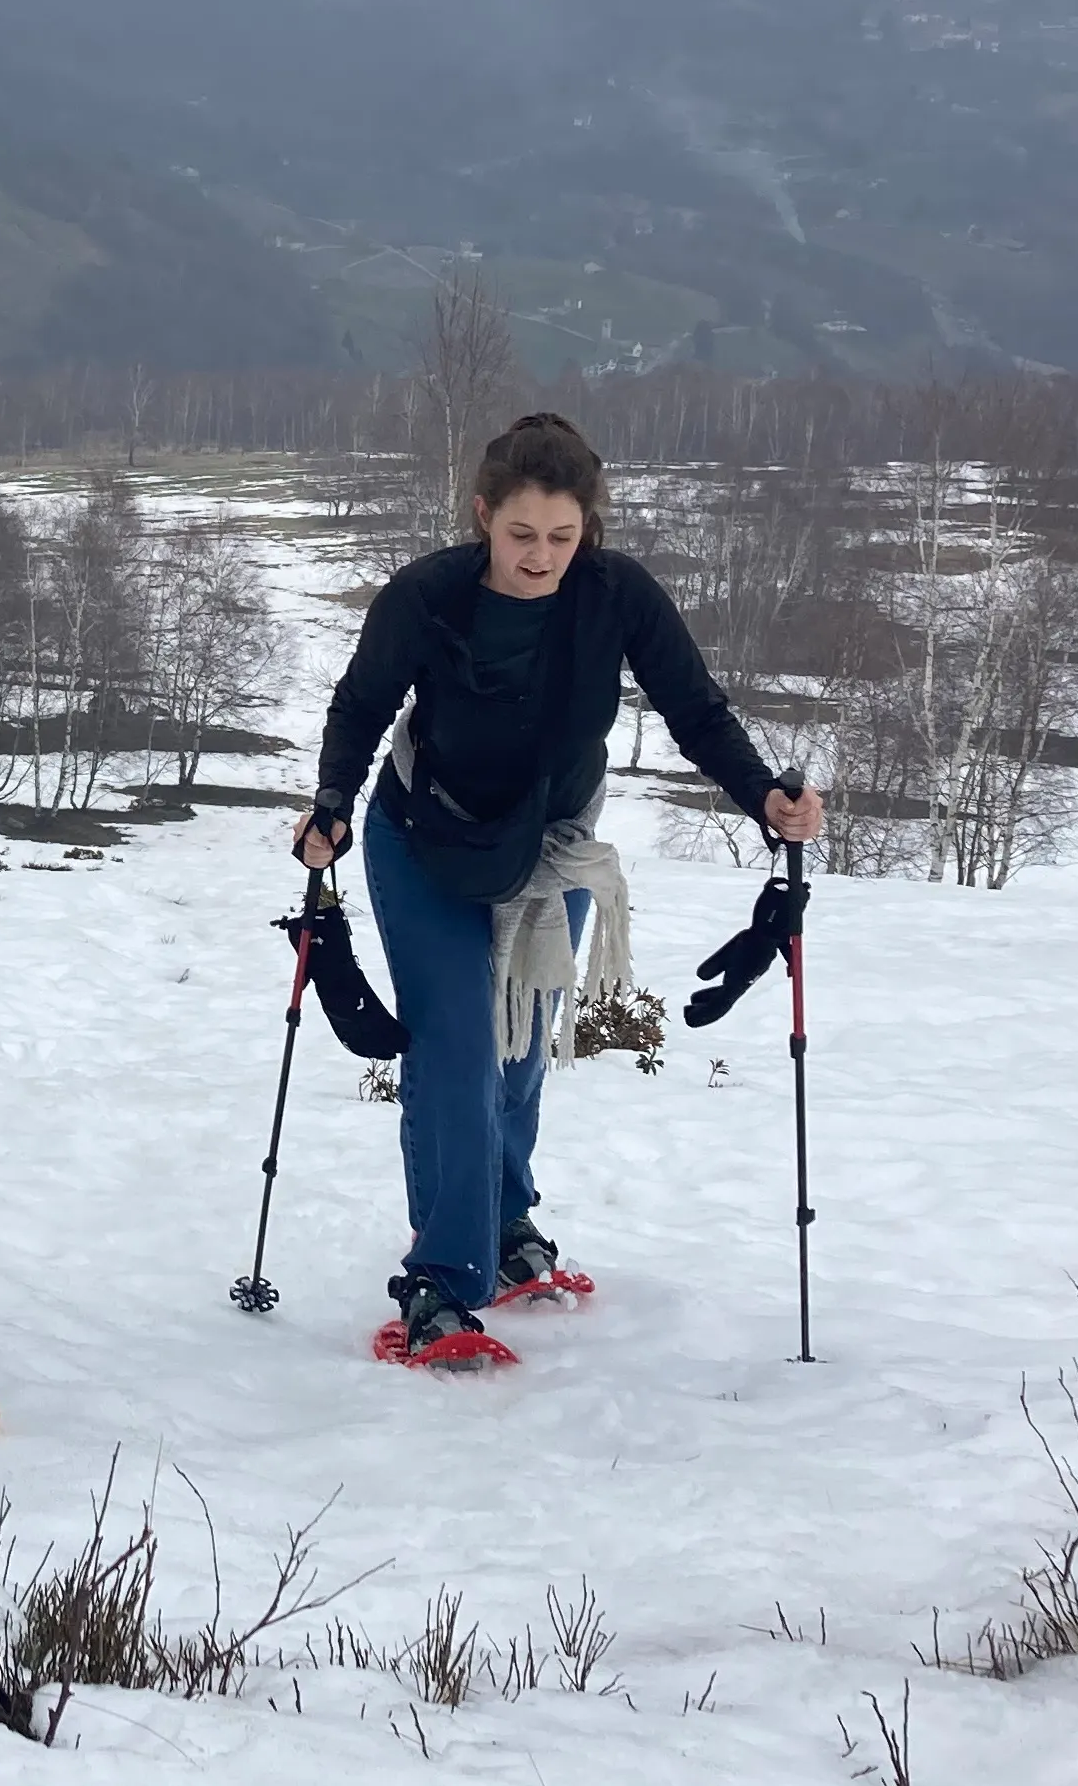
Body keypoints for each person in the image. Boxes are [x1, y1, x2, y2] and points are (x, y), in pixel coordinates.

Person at [299, 412, 827, 1363]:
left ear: (589, 529)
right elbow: (362, 705)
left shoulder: (617, 597)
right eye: (520, 534)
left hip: (552, 851)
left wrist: (764, 798)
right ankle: (441, 1279)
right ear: (481, 517)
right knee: (458, 1045)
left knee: (516, 1049)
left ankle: (504, 1227)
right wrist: (332, 802)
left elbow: (695, 709)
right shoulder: (427, 597)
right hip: (423, 841)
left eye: (562, 536)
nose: (541, 557)